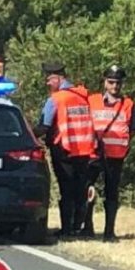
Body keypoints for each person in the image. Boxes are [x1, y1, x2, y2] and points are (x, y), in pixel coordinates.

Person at [33, 62, 96, 238]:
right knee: (79, 189)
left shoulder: (56, 99)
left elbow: (44, 127)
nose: (47, 83)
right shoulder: (83, 95)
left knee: (66, 190)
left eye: (49, 79)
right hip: (83, 150)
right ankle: (78, 226)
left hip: (64, 150)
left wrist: (27, 134)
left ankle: (66, 229)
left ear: (58, 78)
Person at [82, 65, 135, 242]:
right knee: (87, 189)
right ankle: (87, 226)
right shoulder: (92, 101)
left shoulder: (129, 105)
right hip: (93, 154)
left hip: (115, 156)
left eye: (118, 83)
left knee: (112, 193)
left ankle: (109, 232)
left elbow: (133, 129)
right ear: (104, 82)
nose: (115, 86)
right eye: (111, 82)